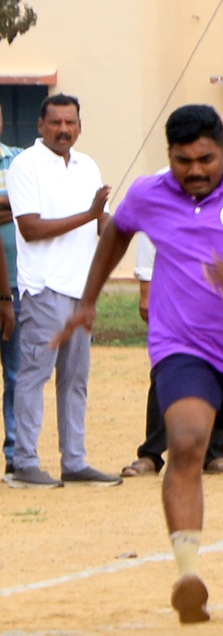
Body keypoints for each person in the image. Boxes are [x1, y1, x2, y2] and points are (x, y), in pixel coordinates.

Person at [54, 104, 223, 622]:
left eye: (206, 159)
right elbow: (116, 232)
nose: (195, 170)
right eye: (183, 161)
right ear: (169, 155)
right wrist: (89, 300)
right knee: (184, 443)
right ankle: (188, 574)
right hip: (182, 347)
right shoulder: (150, 193)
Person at [6, 94, 120, 487]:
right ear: (40, 126)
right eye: (55, 122)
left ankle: (74, 461)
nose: (63, 130)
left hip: (81, 289)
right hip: (44, 287)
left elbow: (99, 222)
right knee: (35, 375)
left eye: (70, 122)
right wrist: (90, 215)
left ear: (80, 126)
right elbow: (31, 228)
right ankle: (24, 462)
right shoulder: (26, 165)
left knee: (76, 379)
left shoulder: (88, 166)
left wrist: (108, 223)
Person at [121, 229, 223, 478]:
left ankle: (214, 453)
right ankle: (151, 454)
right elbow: (150, 237)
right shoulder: (163, 198)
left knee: (215, 371)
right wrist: (146, 289)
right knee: (166, 371)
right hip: (170, 297)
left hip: (214, 297)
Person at [0, 133, 19, 471]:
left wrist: (18, 205)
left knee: (18, 375)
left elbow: (44, 203)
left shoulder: (20, 161)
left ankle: (17, 454)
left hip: (18, 286)